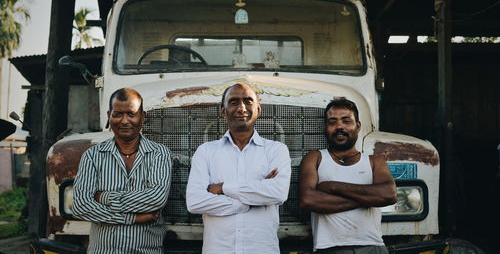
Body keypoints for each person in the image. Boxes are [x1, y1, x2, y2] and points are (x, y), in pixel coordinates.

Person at [186, 83, 291, 254]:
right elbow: (195, 202)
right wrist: (250, 198)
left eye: (248, 101)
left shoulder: (276, 150)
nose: (241, 108)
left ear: (258, 109)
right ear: (223, 110)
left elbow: (278, 193)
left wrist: (223, 188)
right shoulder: (206, 151)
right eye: (234, 102)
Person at [72, 88, 172, 253]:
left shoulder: (159, 153)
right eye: (117, 114)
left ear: (142, 116)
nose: (125, 121)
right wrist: (132, 218)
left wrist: (104, 197)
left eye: (131, 114)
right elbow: (81, 206)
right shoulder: (92, 156)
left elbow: (157, 198)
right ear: (109, 116)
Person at [298, 97, 397, 254]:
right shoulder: (315, 158)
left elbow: (389, 195)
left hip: (372, 246)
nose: (339, 127)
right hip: (329, 248)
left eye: (346, 121)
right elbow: (307, 200)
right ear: (326, 127)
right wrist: (367, 198)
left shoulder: (374, 161)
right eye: (332, 122)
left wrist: (332, 186)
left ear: (357, 126)